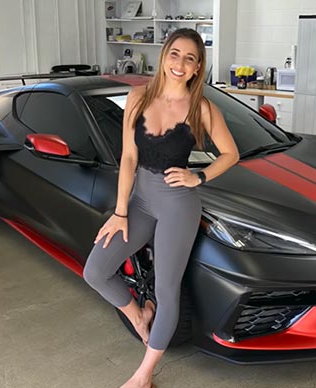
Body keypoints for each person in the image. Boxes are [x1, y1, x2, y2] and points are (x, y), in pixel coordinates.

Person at [83, 28, 239, 388]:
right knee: (95, 270)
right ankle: (140, 316)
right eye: (175, 54)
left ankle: (144, 375)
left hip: (178, 206)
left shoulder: (201, 108)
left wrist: (198, 177)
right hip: (140, 200)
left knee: (168, 291)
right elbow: (128, 158)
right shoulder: (137, 97)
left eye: (190, 58)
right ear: (164, 55)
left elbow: (231, 154)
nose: (180, 63)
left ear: (198, 68)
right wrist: (120, 212)